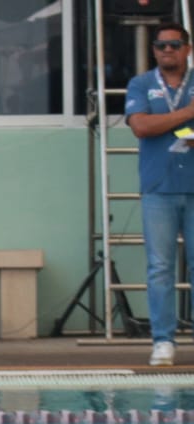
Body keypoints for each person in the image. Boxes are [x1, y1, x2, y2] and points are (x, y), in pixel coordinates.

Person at [125, 21, 194, 367]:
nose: (168, 50)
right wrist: (187, 116)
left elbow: (155, 125)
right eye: (162, 45)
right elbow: (140, 126)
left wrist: (164, 123)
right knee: (160, 268)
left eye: (175, 44)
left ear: (187, 49)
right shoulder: (141, 84)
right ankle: (163, 341)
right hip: (158, 189)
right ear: (154, 50)